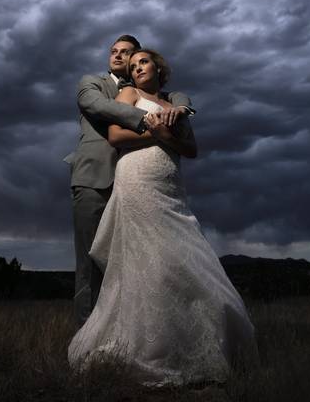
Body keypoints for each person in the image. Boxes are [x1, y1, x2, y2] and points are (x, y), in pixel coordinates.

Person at [68, 48, 257, 386]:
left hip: (171, 185)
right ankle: (147, 348)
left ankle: (188, 342)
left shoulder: (176, 104)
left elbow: (192, 149)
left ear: (158, 67)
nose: (137, 67)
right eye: (132, 64)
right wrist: (156, 134)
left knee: (182, 255)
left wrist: (170, 132)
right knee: (150, 258)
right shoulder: (129, 93)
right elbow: (116, 136)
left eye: (143, 61)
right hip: (137, 180)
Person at [64, 35, 193, 325]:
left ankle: (124, 332)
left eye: (126, 52)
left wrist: (181, 108)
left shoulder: (154, 93)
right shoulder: (92, 83)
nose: (117, 56)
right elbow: (98, 107)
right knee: (90, 264)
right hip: (95, 179)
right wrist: (153, 117)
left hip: (138, 184)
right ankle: (85, 341)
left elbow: (180, 99)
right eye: (113, 51)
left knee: (137, 261)